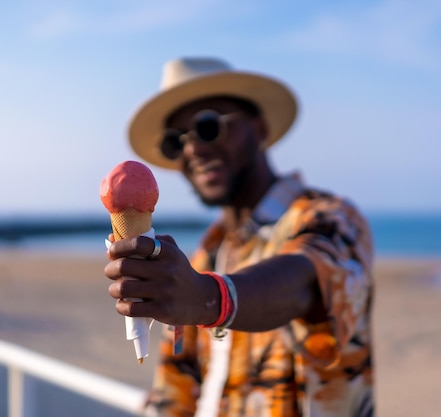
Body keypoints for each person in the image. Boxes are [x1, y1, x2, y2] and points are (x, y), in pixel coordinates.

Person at [104, 57, 375, 417]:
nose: (192, 149)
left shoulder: (331, 219)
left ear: (260, 130)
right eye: (175, 142)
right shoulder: (207, 253)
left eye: (207, 126)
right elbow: (177, 383)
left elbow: (304, 283)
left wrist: (208, 298)